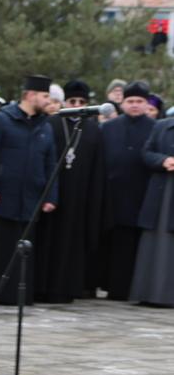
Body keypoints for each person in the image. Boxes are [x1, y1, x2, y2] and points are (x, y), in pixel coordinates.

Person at [0, 75, 57, 305]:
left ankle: (14, 296)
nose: (48, 101)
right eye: (45, 96)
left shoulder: (45, 126)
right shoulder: (1, 120)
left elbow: (51, 163)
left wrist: (50, 195)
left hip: (29, 200)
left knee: (21, 250)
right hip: (0, 197)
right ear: (30, 95)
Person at [36, 85, 107, 303]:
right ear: (65, 102)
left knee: (71, 242)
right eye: (72, 102)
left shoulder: (93, 129)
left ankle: (65, 289)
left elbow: (98, 168)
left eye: (81, 102)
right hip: (53, 191)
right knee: (48, 240)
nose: (77, 106)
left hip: (80, 196)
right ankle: (41, 287)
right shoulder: (52, 123)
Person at [102, 81, 159, 300]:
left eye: (139, 101)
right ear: (122, 103)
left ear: (146, 104)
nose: (134, 105)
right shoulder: (108, 127)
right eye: (130, 101)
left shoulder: (156, 128)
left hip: (142, 195)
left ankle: (132, 289)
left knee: (135, 244)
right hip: (112, 194)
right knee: (112, 243)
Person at [130, 115, 174, 305]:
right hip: (161, 191)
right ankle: (149, 293)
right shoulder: (161, 126)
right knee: (154, 241)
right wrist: (163, 160)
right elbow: (147, 152)